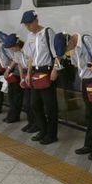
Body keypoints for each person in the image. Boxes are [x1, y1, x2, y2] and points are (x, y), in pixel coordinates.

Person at [54, 32, 92, 160]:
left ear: (70, 40)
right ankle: (89, 144)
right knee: (90, 115)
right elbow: (77, 65)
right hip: (85, 82)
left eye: (66, 48)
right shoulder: (73, 48)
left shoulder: (88, 41)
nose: (67, 51)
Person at [22, 10, 59, 145]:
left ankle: (52, 134)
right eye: (25, 25)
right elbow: (31, 56)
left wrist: (55, 70)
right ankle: (42, 130)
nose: (28, 27)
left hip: (48, 71)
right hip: (36, 73)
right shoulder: (30, 35)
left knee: (50, 106)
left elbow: (57, 54)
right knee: (35, 104)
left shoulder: (48, 33)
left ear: (36, 21)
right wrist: (28, 73)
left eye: (29, 24)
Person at [3, 33, 38, 132]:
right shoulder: (17, 53)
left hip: (33, 73)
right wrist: (22, 77)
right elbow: (19, 65)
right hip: (26, 75)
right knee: (27, 103)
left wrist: (28, 75)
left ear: (17, 45)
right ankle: (31, 122)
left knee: (33, 103)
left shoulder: (27, 49)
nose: (11, 50)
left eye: (12, 47)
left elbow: (31, 62)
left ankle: (37, 124)